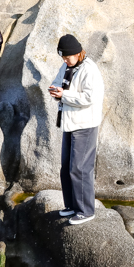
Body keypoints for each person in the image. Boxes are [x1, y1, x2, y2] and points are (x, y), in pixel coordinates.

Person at [49, 34, 103, 225]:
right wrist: (55, 90)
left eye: (67, 56)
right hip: (69, 124)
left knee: (80, 168)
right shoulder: (66, 66)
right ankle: (72, 205)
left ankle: (86, 210)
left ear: (78, 53)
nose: (64, 60)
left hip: (85, 125)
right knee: (66, 168)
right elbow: (57, 81)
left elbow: (89, 97)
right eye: (62, 57)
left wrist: (64, 95)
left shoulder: (90, 69)